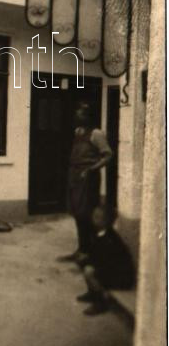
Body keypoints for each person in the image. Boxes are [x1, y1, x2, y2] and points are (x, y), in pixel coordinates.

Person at [59, 102, 113, 264]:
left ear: (88, 116)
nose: (78, 116)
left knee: (86, 213)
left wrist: (91, 169)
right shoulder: (78, 132)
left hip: (88, 177)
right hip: (74, 175)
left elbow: (108, 155)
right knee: (77, 212)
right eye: (77, 113)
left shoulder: (96, 133)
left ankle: (90, 252)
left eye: (81, 113)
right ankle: (81, 249)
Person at [77, 205, 135, 315]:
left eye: (98, 217)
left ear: (107, 222)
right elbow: (94, 253)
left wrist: (91, 265)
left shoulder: (110, 240)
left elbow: (108, 263)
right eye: (94, 216)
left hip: (121, 277)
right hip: (108, 268)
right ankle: (92, 293)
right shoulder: (97, 232)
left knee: (89, 271)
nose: (93, 219)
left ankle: (101, 302)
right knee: (85, 264)